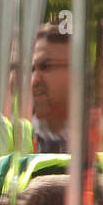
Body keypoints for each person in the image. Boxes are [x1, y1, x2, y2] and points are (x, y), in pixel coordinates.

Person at [31, 23, 71, 152]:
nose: (35, 80)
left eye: (46, 67)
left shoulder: (99, 134)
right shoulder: (21, 133)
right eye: (32, 69)